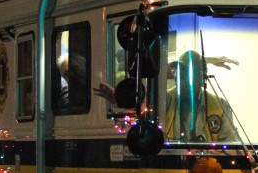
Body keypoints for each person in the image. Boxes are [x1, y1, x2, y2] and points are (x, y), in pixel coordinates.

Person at [93, 50, 237, 142]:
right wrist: (119, 99)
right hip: (171, 160)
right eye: (178, 71)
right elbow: (144, 107)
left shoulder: (219, 105)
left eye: (185, 72)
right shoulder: (167, 99)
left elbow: (230, 141)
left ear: (201, 78)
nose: (178, 75)